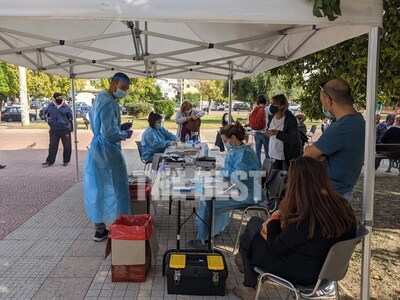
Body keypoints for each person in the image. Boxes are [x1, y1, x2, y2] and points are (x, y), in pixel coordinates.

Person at [233, 156, 356, 300]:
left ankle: (249, 282)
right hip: (326, 270)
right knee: (252, 228)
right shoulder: (342, 206)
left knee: (249, 234)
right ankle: (247, 265)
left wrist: (274, 218)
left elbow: (275, 246)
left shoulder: (307, 217)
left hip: (303, 273)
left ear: (296, 183)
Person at [189, 122, 264, 248]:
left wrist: (219, 176)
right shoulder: (237, 150)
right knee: (207, 196)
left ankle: (204, 240)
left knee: (209, 201)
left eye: (225, 140)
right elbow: (231, 172)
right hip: (239, 189)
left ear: (233, 138)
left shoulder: (245, 154)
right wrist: (218, 174)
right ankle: (212, 231)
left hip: (247, 194)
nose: (224, 143)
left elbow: (237, 176)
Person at [83, 72, 133, 242]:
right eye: (123, 87)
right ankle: (120, 225)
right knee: (117, 187)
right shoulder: (109, 103)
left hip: (97, 150)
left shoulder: (99, 99)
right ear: (113, 84)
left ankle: (99, 229)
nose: (124, 91)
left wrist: (119, 126)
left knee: (97, 187)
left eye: (126, 89)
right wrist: (124, 134)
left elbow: (101, 125)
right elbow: (110, 133)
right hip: (108, 151)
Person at [304, 79, 365, 199]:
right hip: (341, 189)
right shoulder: (359, 121)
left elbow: (309, 153)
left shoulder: (344, 126)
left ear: (328, 101)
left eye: (322, 102)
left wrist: (317, 153)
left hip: (330, 194)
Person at [266, 94, 302, 170]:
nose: (272, 106)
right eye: (271, 104)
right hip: (272, 153)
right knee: (274, 177)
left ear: (282, 106)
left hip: (285, 156)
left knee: (284, 178)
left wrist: (277, 133)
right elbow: (270, 128)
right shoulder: (272, 116)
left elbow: (293, 139)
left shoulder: (290, 119)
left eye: (274, 104)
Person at [41, 93, 73, 167]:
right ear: (54, 98)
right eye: (58, 97)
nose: (59, 98)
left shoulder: (66, 106)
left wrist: (70, 126)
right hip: (54, 129)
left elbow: (71, 116)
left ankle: (66, 160)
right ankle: (49, 161)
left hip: (64, 129)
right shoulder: (51, 106)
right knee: (52, 145)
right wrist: (47, 120)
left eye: (60, 97)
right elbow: (45, 113)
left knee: (67, 145)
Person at [251, 94, 271, 162]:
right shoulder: (267, 108)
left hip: (256, 132)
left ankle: (258, 166)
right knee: (267, 151)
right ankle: (268, 167)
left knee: (257, 151)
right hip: (265, 133)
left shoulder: (254, 109)